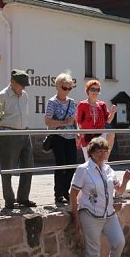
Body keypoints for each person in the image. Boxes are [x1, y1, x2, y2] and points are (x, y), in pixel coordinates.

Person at [70, 137, 130, 257]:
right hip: (90, 213)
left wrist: (125, 180)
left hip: (108, 213)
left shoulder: (109, 169)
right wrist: (75, 215)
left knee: (119, 242)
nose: (102, 154)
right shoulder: (83, 169)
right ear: (91, 152)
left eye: (105, 151)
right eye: (99, 151)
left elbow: (119, 190)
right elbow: (73, 193)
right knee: (93, 251)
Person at [0, 68, 36, 209]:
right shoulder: (2, 96)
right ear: (12, 82)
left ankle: (23, 198)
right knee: (8, 169)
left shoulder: (25, 95)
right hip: (9, 134)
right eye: (21, 84)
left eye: (25, 84)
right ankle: (9, 200)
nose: (24, 87)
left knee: (28, 167)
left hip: (25, 133)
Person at [44, 72, 78, 205]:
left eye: (70, 88)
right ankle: (58, 194)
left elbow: (74, 120)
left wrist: (78, 131)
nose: (67, 91)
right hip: (58, 137)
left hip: (70, 137)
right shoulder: (52, 102)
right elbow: (47, 121)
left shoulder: (72, 102)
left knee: (72, 165)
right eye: (65, 88)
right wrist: (64, 123)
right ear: (58, 86)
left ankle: (65, 191)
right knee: (61, 165)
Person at [76, 79, 116, 160]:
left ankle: (105, 159)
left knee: (111, 133)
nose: (95, 92)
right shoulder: (82, 104)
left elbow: (108, 121)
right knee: (90, 163)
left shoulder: (102, 104)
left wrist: (113, 112)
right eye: (93, 89)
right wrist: (78, 134)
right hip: (87, 136)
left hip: (100, 135)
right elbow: (78, 121)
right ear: (88, 91)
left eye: (97, 90)